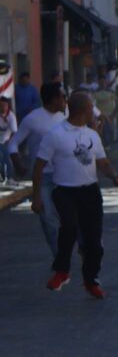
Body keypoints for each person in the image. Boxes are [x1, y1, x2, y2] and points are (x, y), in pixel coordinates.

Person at [34, 91, 118, 298]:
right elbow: (38, 166)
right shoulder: (56, 135)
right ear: (83, 111)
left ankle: (91, 280)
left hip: (90, 192)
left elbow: (102, 162)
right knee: (70, 227)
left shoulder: (92, 135)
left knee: (94, 241)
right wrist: (37, 197)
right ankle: (62, 272)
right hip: (65, 191)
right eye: (92, 108)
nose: (94, 111)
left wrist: (114, 176)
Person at [10, 83, 68, 253]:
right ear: (53, 99)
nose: (65, 100)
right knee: (48, 218)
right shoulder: (32, 119)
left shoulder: (64, 118)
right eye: (63, 96)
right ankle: (59, 255)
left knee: (67, 217)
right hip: (42, 177)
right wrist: (18, 164)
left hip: (63, 176)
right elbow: (13, 143)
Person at [0, 96, 17, 187]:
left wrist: (10, 142)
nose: (3, 107)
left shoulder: (11, 117)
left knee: (7, 159)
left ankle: (10, 178)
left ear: (8, 106)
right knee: (1, 159)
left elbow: (14, 132)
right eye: (1, 105)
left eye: (5, 105)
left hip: (7, 140)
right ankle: (3, 177)